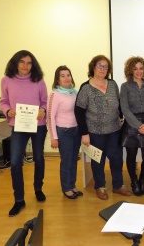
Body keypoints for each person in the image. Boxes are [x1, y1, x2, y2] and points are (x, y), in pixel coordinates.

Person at [75, 55, 132, 200]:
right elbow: (79, 111)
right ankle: (100, 186)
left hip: (114, 129)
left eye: (106, 66)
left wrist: (121, 118)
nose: (103, 69)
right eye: (100, 66)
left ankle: (118, 185)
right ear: (93, 67)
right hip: (95, 132)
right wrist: (84, 133)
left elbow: (118, 104)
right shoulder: (86, 87)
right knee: (98, 160)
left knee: (117, 158)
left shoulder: (112, 84)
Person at [0, 50, 48, 217]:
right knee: (15, 163)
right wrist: (8, 111)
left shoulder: (39, 80)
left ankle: (38, 188)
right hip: (18, 126)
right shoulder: (6, 80)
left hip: (38, 125)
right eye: (22, 62)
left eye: (29, 63)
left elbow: (45, 101)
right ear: (15, 63)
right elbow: (3, 101)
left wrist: (43, 110)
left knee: (38, 158)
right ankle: (19, 200)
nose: (25, 66)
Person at [120, 56, 144, 196]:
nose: (138, 71)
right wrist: (137, 124)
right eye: (135, 68)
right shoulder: (125, 86)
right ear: (130, 70)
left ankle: (142, 181)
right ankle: (134, 181)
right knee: (131, 156)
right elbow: (125, 108)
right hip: (131, 124)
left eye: (141, 68)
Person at [47, 66, 82, 200]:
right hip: (64, 132)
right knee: (66, 161)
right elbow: (50, 117)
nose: (66, 78)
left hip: (76, 130)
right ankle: (66, 188)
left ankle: (72, 185)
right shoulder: (55, 94)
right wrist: (54, 138)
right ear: (57, 79)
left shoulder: (74, 92)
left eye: (68, 75)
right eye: (63, 76)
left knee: (74, 160)